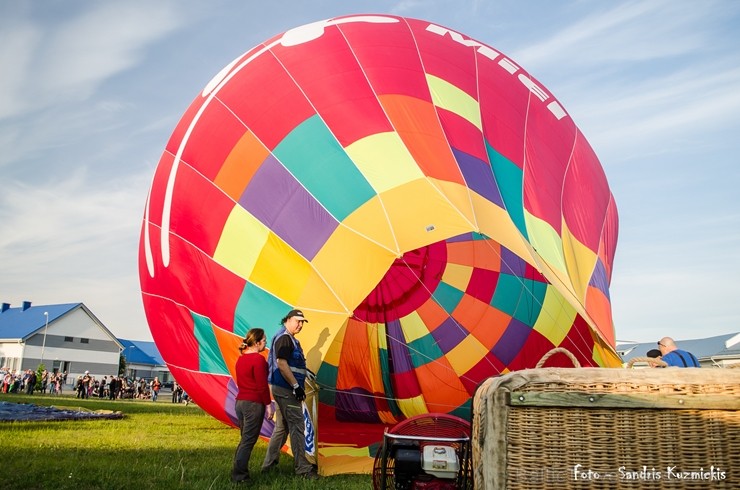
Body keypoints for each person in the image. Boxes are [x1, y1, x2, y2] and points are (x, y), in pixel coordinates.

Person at [261, 309, 319, 480]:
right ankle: (303, 469)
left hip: (280, 388)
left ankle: (268, 465)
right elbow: (281, 363)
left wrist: (305, 374)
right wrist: (296, 386)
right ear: (287, 320)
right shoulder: (285, 339)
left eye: (302, 322)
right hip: (286, 389)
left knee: (282, 428)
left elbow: (291, 364)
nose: (300, 325)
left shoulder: (289, 339)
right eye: (297, 321)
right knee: (297, 426)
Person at [231, 328, 274, 484]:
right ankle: (240, 476)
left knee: (245, 439)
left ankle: (238, 471)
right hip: (253, 404)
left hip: (240, 402)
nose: (265, 343)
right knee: (248, 440)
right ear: (256, 343)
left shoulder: (240, 359)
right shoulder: (258, 360)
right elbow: (262, 386)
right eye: (264, 341)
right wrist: (268, 405)